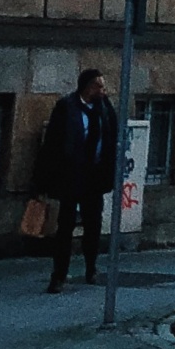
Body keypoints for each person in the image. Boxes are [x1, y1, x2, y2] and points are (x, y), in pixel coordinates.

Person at [37, 67, 118, 290]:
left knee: (93, 226)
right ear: (88, 87)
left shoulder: (104, 108)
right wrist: (46, 179)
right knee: (65, 227)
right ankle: (59, 275)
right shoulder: (67, 107)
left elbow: (112, 138)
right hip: (71, 176)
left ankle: (91, 268)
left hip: (95, 176)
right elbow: (53, 143)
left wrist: (109, 170)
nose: (103, 90)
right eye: (99, 86)